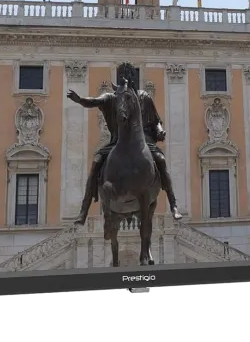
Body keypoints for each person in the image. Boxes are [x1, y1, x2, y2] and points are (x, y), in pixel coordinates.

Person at [67, 61, 183, 225]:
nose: (126, 79)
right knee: (96, 163)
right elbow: (94, 101)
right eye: (122, 75)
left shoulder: (144, 97)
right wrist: (79, 100)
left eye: (129, 75)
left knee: (161, 161)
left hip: (144, 141)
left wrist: (159, 130)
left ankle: (174, 205)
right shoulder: (113, 97)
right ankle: (83, 211)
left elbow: (156, 120)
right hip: (116, 142)